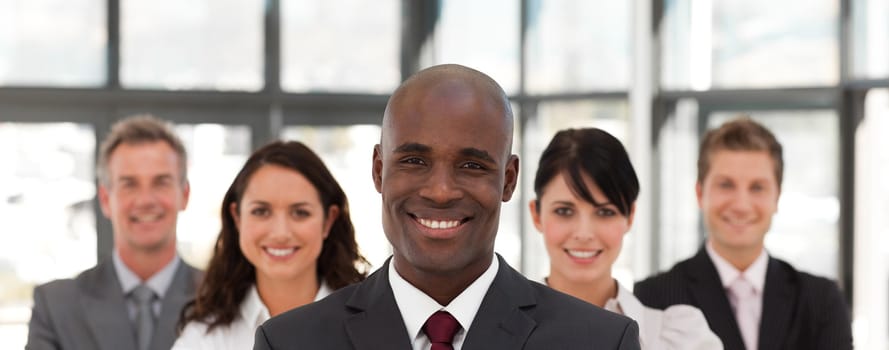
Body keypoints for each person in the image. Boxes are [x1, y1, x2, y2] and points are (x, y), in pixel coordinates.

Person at [253, 64, 640, 349]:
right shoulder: (288, 342)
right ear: (378, 171)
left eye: (472, 166)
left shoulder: (601, 342)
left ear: (508, 180)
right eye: (414, 161)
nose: (440, 191)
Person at [634, 117, 853, 350]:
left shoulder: (821, 301)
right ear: (699, 193)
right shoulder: (654, 298)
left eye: (757, 187)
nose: (741, 204)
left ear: (777, 197)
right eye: (726, 185)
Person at [529, 128, 722, 349]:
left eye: (605, 212)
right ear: (536, 214)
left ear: (629, 217)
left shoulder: (682, 339)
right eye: (564, 211)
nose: (584, 234)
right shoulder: (495, 327)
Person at [27, 115, 202, 350]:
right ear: (105, 199)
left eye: (161, 182)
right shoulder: (56, 306)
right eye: (129, 184)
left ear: (185, 195)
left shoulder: (225, 299)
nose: (145, 200)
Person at [172, 140, 368, 349]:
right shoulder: (203, 338)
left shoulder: (373, 319)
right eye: (261, 211)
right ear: (237, 217)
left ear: (328, 221)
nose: (280, 233)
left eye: (300, 213)